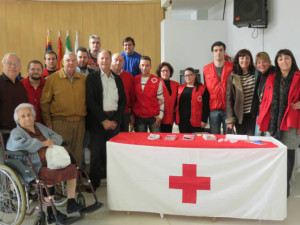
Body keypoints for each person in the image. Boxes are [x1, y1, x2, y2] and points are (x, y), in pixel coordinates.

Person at [6, 103, 83, 223]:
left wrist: (52, 141)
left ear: (34, 116)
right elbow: (17, 145)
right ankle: (51, 212)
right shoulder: (16, 132)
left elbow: (57, 136)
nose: (27, 118)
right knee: (48, 175)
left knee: (72, 169)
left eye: (29, 115)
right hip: (35, 165)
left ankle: (71, 203)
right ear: (18, 120)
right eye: (23, 116)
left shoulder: (39, 126)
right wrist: (41, 144)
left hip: (53, 160)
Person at [257, 49, 300, 197]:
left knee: (288, 153)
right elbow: (266, 101)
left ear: (292, 60)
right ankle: (276, 182)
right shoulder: (272, 78)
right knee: (276, 153)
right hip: (273, 123)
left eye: (287, 58)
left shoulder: (298, 77)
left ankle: (285, 185)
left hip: (291, 122)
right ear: (277, 62)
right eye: (280, 59)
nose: (284, 61)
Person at [86, 50, 126, 190]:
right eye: (101, 58)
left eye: (107, 58)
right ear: (97, 61)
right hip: (98, 121)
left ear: (111, 61)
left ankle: (114, 182)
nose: (104, 61)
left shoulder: (117, 78)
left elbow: (123, 102)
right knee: (96, 154)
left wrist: (115, 120)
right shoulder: (92, 77)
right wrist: (104, 120)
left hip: (114, 121)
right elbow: (90, 101)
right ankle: (94, 183)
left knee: (114, 153)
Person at [40, 52, 86, 168]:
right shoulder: (52, 79)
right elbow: (44, 102)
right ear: (63, 62)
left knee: (77, 156)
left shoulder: (83, 79)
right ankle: (61, 184)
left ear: (77, 63)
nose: (71, 63)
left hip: (80, 122)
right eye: (68, 60)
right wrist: (48, 123)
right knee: (61, 155)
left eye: (74, 61)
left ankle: (76, 183)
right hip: (60, 123)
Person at [203, 41, 233, 134]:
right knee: (214, 136)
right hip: (213, 109)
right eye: (216, 50)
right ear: (212, 53)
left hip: (228, 109)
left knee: (228, 137)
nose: (218, 52)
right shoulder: (206, 69)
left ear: (224, 52)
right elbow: (206, 90)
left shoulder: (232, 67)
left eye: (221, 50)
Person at [226, 49, 256, 135]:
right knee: (242, 140)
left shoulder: (256, 73)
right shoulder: (233, 76)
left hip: (253, 115)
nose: (244, 60)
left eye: (247, 58)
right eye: (242, 58)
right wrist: (230, 119)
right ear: (238, 60)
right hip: (240, 116)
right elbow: (229, 99)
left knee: (252, 140)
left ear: (250, 60)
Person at [0, 53, 28, 144]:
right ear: (2, 65)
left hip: (20, 134)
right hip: (3, 135)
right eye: (9, 63)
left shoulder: (21, 85)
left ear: (19, 68)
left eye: (16, 64)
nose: (13, 66)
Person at [133, 56, 164, 132]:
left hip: (154, 117)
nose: (144, 67)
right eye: (142, 65)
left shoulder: (157, 80)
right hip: (139, 117)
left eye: (147, 65)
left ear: (150, 66)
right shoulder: (134, 80)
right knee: (141, 142)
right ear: (139, 66)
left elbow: (161, 100)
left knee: (156, 141)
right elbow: (132, 99)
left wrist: (160, 116)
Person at [175, 67, 209, 133]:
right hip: (182, 121)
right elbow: (176, 103)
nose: (187, 77)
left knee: (196, 141)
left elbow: (206, 106)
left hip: (197, 121)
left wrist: (204, 120)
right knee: (184, 141)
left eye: (190, 75)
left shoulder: (202, 88)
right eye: (185, 75)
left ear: (195, 75)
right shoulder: (180, 88)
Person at [251, 52, 275, 136]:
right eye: (259, 62)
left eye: (264, 61)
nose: (262, 64)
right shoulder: (260, 76)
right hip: (260, 111)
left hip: (270, 112)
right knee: (258, 139)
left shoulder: (274, 75)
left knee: (268, 138)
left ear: (269, 62)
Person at [111, 53, 134, 132]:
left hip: (125, 113)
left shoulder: (129, 76)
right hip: (111, 113)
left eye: (120, 61)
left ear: (123, 63)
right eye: (116, 60)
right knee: (112, 136)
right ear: (111, 61)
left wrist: (132, 114)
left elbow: (132, 96)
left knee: (124, 137)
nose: (118, 63)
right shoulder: (105, 75)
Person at [156, 62, 179, 133]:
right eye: (163, 71)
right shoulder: (156, 83)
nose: (165, 72)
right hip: (159, 117)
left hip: (170, 117)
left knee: (168, 138)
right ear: (160, 72)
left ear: (170, 72)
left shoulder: (176, 84)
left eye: (167, 71)